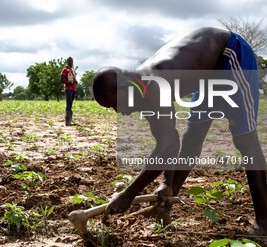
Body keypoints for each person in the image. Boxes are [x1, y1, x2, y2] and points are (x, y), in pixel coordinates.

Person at [93, 27, 267, 235]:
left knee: (245, 140)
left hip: (229, 53)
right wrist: (166, 182)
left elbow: (167, 147)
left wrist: (128, 194)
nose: (118, 111)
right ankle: (167, 198)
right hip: (206, 75)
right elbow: (168, 142)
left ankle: (265, 220)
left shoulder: (154, 84)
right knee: (192, 138)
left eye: (115, 105)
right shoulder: (142, 91)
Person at [61, 57, 77, 126]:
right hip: (68, 89)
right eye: (69, 61)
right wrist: (68, 82)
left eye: (72, 61)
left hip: (73, 89)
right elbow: (61, 80)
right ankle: (67, 121)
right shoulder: (65, 70)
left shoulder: (73, 70)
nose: (71, 62)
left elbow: (74, 79)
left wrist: (75, 81)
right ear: (67, 62)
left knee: (71, 104)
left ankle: (70, 120)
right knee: (69, 103)